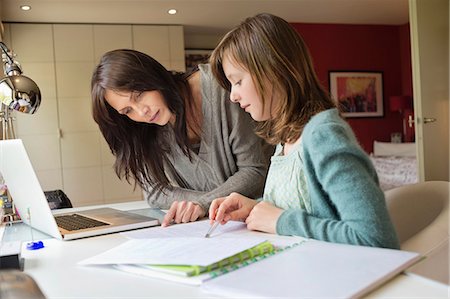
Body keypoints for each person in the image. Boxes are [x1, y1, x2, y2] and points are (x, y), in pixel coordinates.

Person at [208, 13, 399, 249]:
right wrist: (256, 208)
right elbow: (302, 209)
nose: (233, 96)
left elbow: (376, 239)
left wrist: (280, 221)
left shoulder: (323, 136)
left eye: (237, 82)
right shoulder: (285, 139)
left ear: (274, 70)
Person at [91, 49, 272, 226]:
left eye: (139, 95)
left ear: (152, 76)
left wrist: (203, 204)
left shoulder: (218, 87)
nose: (141, 112)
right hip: (215, 224)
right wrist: (202, 204)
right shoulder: (145, 128)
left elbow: (254, 170)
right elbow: (155, 193)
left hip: (264, 214)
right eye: (127, 111)